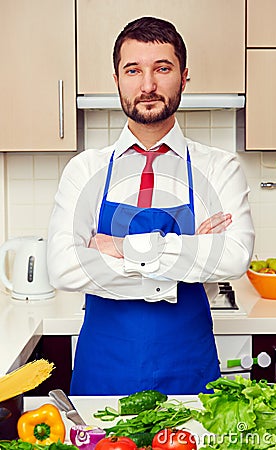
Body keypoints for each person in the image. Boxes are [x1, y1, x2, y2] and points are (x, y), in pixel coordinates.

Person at [47, 16, 254, 396]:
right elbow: (62, 267)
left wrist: (114, 246)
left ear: (184, 76)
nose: (148, 85)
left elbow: (234, 258)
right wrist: (188, 250)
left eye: (162, 68)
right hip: (102, 373)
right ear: (117, 80)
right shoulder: (85, 169)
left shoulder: (219, 167)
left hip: (190, 371)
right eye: (133, 70)